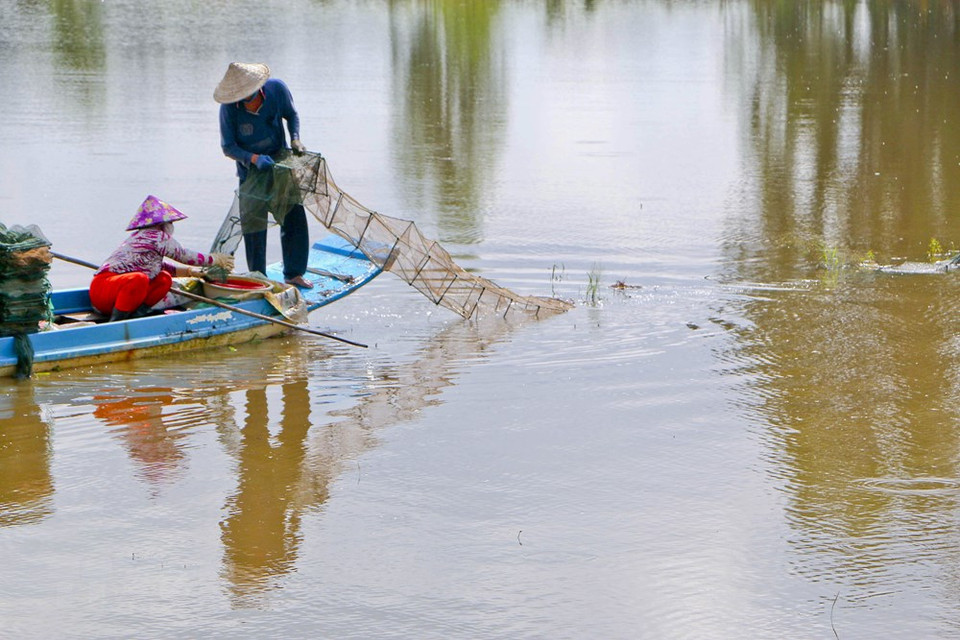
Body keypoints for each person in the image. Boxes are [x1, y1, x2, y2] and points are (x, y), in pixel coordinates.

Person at [214, 62, 313, 289]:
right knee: (254, 226)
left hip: (280, 166)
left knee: (294, 218)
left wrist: (296, 138)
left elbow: (292, 115)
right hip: (251, 173)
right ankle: (258, 278)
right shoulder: (229, 108)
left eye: (248, 96)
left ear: (258, 88)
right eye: (241, 98)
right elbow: (228, 147)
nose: (245, 101)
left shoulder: (277, 90)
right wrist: (253, 159)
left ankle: (294, 273)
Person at [90, 195, 234, 322]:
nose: (171, 226)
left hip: (120, 294)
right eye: (170, 222)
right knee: (139, 279)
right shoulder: (156, 236)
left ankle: (136, 314)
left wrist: (191, 272)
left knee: (163, 278)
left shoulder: (141, 239)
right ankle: (116, 323)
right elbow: (184, 255)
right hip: (104, 290)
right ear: (160, 224)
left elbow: (159, 267)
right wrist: (215, 259)